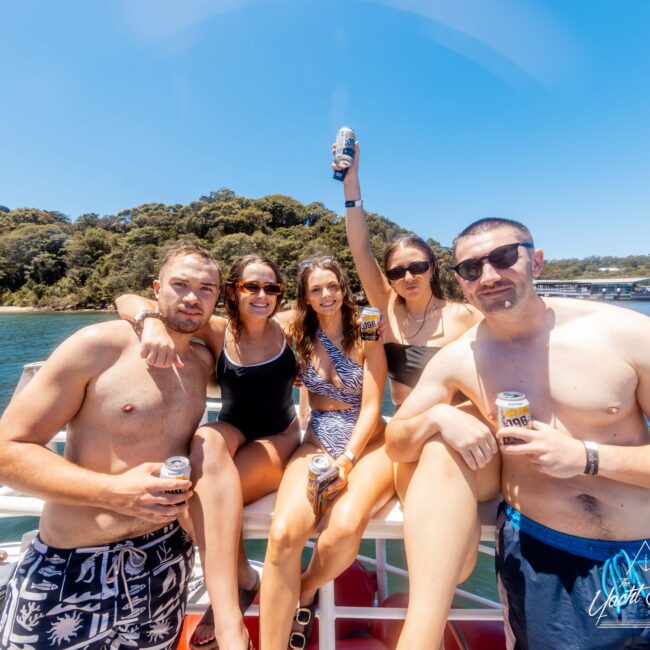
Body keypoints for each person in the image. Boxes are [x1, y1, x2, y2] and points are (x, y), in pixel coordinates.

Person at [386, 217, 650, 649]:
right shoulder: (461, 358)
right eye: (471, 269)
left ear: (536, 261)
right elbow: (397, 439)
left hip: (638, 555)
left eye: (504, 258)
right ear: (460, 282)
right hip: (539, 556)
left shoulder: (626, 334)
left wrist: (587, 456)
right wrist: (439, 418)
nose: (488, 276)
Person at [0, 242, 251, 649]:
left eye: (206, 289)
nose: (192, 298)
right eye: (180, 285)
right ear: (157, 289)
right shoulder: (99, 346)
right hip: (73, 563)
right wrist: (113, 491)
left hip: (164, 563)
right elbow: (7, 451)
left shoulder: (203, 364)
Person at [116, 253, 301, 650]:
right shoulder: (217, 330)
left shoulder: (288, 326)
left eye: (272, 288)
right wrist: (148, 323)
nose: (262, 295)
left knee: (199, 505)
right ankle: (239, 588)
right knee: (206, 439)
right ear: (232, 292)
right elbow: (127, 300)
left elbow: (342, 313)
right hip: (233, 429)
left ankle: (232, 594)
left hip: (279, 436)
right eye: (251, 286)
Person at [260, 256, 393, 649]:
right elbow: (244, 326)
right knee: (284, 534)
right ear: (305, 296)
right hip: (318, 437)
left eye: (332, 286)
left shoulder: (366, 326)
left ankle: (303, 591)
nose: (326, 295)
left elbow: (372, 406)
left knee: (345, 527)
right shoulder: (295, 329)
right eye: (316, 289)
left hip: (368, 442)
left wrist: (347, 462)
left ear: (343, 287)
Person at [336, 141, 482, 410]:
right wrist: (350, 184)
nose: (408, 277)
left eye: (417, 267)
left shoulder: (467, 316)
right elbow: (360, 248)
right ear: (390, 278)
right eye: (397, 272)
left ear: (433, 267)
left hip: (452, 429)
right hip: (404, 429)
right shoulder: (386, 307)